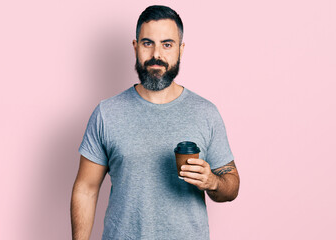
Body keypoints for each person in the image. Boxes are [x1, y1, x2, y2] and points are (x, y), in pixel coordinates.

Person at [71, 5, 240, 240]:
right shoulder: (106, 113)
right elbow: (86, 189)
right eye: (147, 43)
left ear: (181, 50)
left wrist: (212, 181)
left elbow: (231, 185)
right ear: (135, 47)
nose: (156, 55)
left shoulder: (205, 113)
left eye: (167, 44)